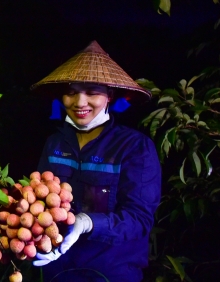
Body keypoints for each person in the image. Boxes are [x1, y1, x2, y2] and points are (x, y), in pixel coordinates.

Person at [30, 41, 162, 281]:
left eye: (91, 92)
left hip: (110, 272)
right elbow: (39, 200)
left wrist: (88, 222)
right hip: (54, 270)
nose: (80, 103)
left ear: (110, 95)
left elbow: (139, 218)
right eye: (71, 92)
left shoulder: (134, 147)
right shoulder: (55, 143)